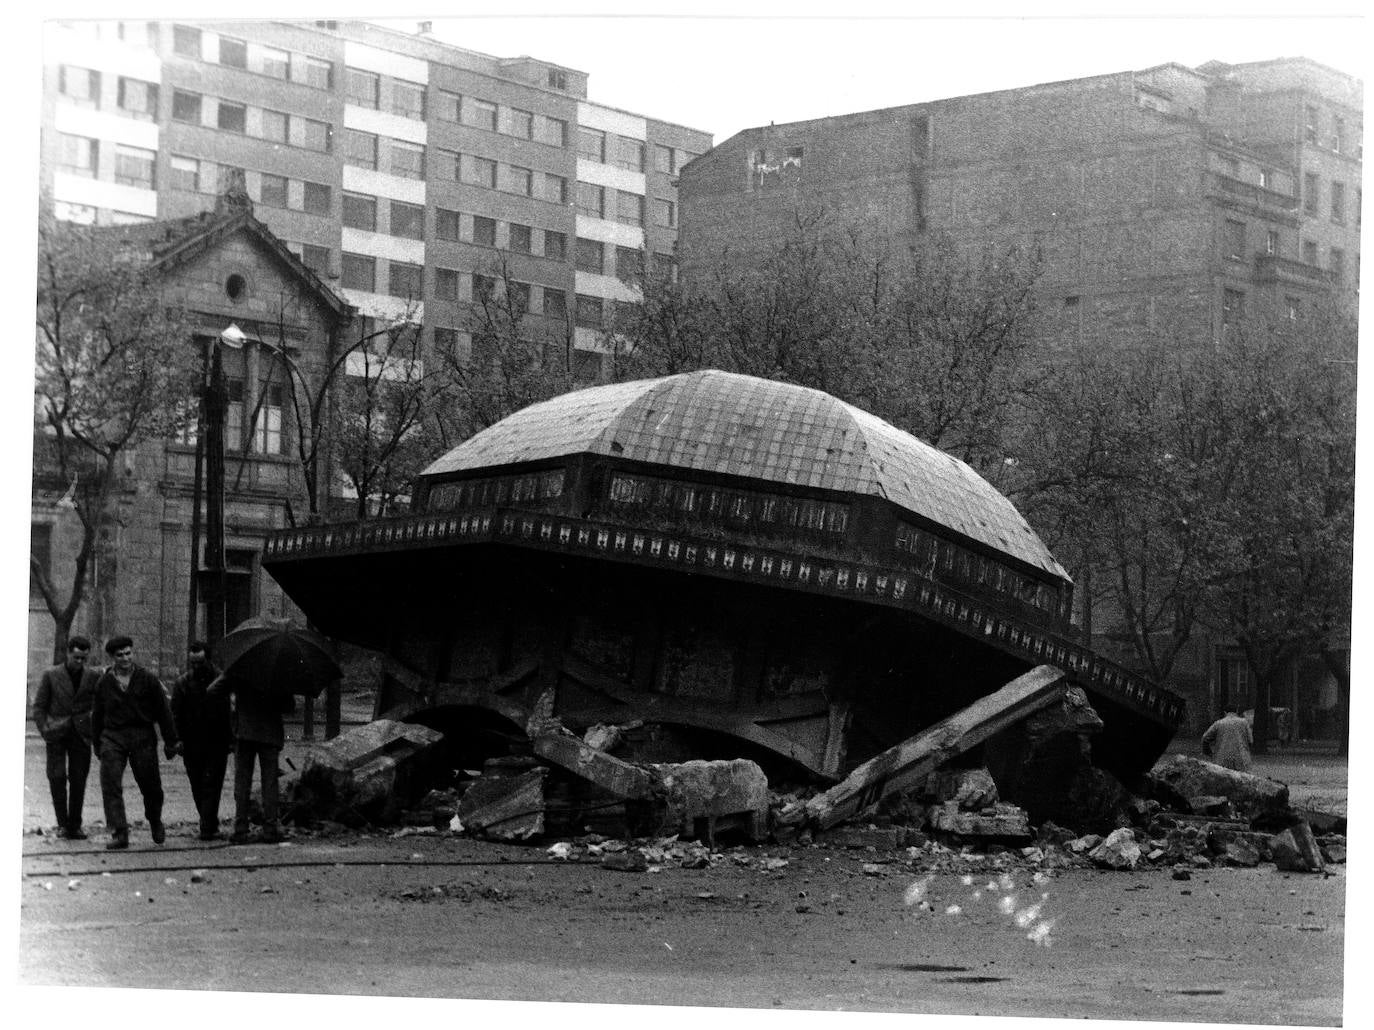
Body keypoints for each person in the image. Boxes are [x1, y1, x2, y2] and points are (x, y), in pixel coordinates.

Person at [90, 636, 182, 849]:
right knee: (110, 782)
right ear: (112, 657)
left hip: (142, 736)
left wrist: (171, 740)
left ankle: (155, 819)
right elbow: (97, 715)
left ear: (133, 653)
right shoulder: (104, 682)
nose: (125, 658)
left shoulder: (147, 679)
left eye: (128, 653)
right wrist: (97, 744)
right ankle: (119, 832)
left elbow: (163, 711)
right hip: (113, 736)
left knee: (151, 785)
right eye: (120, 655)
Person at [208, 671, 292, 844]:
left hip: (245, 733)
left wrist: (235, 696)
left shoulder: (241, 667)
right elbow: (289, 706)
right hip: (270, 734)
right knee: (270, 782)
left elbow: (212, 690)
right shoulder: (278, 671)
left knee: (242, 782)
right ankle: (270, 829)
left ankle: (240, 830)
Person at [33, 636, 100, 839]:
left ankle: (75, 826)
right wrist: (45, 729)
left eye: (84, 659)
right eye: (77, 657)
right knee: (57, 777)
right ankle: (62, 824)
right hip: (56, 732)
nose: (80, 662)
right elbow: (39, 706)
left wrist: (91, 724)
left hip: (81, 734)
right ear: (68, 653)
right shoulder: (51, 675)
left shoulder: (92, 676)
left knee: (79, 779)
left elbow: (98, 704)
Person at [170, 641, 233, 841]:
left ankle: (207, 827)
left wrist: (231, 739)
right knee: (197, 784)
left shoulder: (221, 679)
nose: (196, 667)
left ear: (207, 659)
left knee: (211, 784)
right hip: (192, 742)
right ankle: (209, 823)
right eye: (193, 663)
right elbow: (175, 714)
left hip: (217, 740)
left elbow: (230, 712)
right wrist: (177, 739)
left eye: (200, 662)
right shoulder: (182, 683)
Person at [1201, 707, 1253, 772]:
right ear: (1236, 712)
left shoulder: (1218, 723)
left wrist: (1208, 752)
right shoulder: (1244, 722)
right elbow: (1250, 741)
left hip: (1221, 759)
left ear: (1225, 713)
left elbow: (1205, 738)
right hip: (1241, 760)